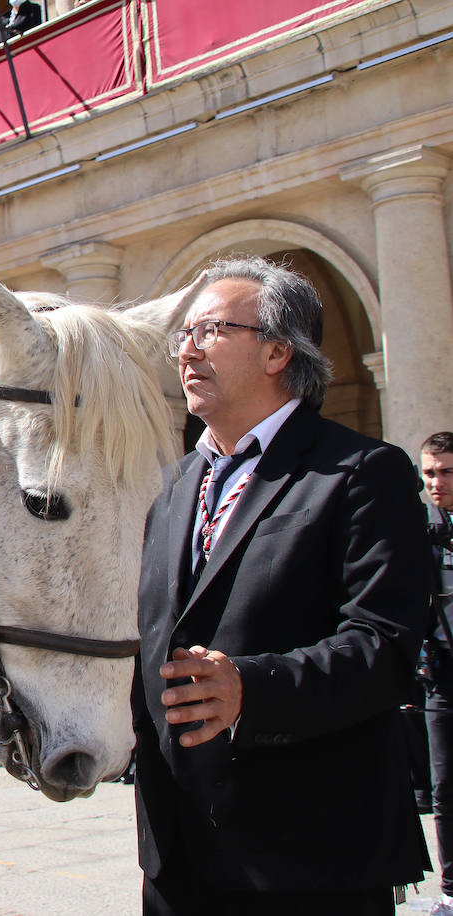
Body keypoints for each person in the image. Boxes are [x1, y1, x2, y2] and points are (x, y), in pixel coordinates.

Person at [132, 257, 430, 914]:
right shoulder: (175, 486)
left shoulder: (359, 474)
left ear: (276, 351)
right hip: (177, 852)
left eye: (210, 330)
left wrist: (252, 691)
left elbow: (384, 649)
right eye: (184, 333)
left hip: (307, 854)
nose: (186, 349)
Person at [422, 432, 453, 916]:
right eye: (429, 472)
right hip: (441, 680)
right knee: (445, 788)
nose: (436, 482)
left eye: (446, 472)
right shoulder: (416, 530)